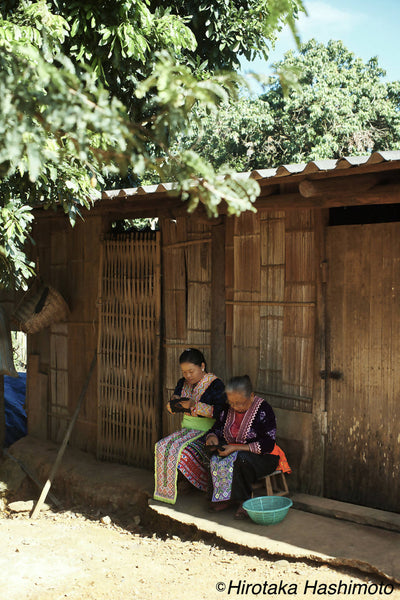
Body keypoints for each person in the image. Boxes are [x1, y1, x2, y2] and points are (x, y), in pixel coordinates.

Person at [205, 375, 291, 519]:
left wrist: (235, 448)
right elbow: (216, 428)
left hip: (265, 457)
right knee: (212, 455)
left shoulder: (264, 409)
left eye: (239, 403)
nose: (235, 407)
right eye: (231, 402)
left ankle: (244, 502)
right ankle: (223, 498)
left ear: (251, 396)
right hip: (234, 451)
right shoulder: (227, 409)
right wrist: (212, 438)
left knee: (240, 460)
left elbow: (268, 444)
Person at [154, 348, 227, 504]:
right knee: (162, 446)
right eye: (184, 372)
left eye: (191, 371)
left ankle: (196, 483)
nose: (187, 376)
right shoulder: (183, 383)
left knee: (182, 451)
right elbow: (171, 408)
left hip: (208, 431)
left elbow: (221, 412)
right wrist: (174, 403)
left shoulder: (215, 384)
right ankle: (169, 488)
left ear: (202, 366)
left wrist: (195, 406)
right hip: (187, 429)